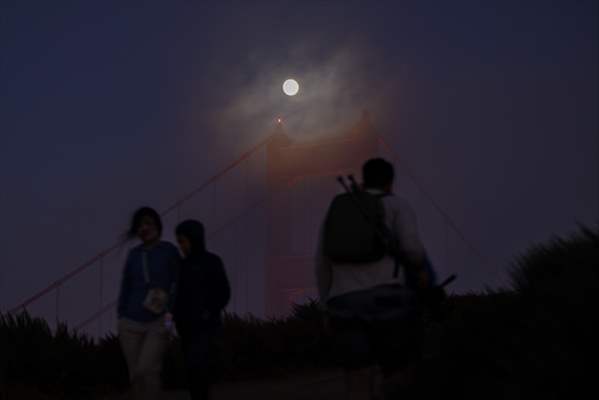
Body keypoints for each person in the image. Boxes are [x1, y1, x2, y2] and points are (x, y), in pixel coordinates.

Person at [315, 158, 431, 400]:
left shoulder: (339, 208)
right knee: (396, 372)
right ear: (390, 182)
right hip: (388, 299)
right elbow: (413, 250)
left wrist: (326, 305)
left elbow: (321, 262)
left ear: (363, 179)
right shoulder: (397, 205)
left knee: (356, 377)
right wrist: (420, 270)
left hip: (343, 302)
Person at [117, 207, 180, 400]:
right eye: (140, 225)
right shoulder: (133, 255)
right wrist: (121, 317)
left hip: (159, 322)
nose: (144, 228)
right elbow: (126, 286)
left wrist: (169, 319)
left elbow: (178, 283)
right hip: (129, 323)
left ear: (157, 225)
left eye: (149, 223)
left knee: (146, 369)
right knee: (136, 376)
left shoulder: (169, 251)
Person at [172, 219, 231, 400]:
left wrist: (208, 312)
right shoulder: (181, 266)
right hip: (187, 331)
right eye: (179, 241)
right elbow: (177, 297)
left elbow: (223, 292)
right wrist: (175, 320)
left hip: (207, 329)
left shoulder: (212, 262)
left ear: (194, 239)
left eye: (183, 241)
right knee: (193, 375)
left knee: (199, 372)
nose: (181, 246)